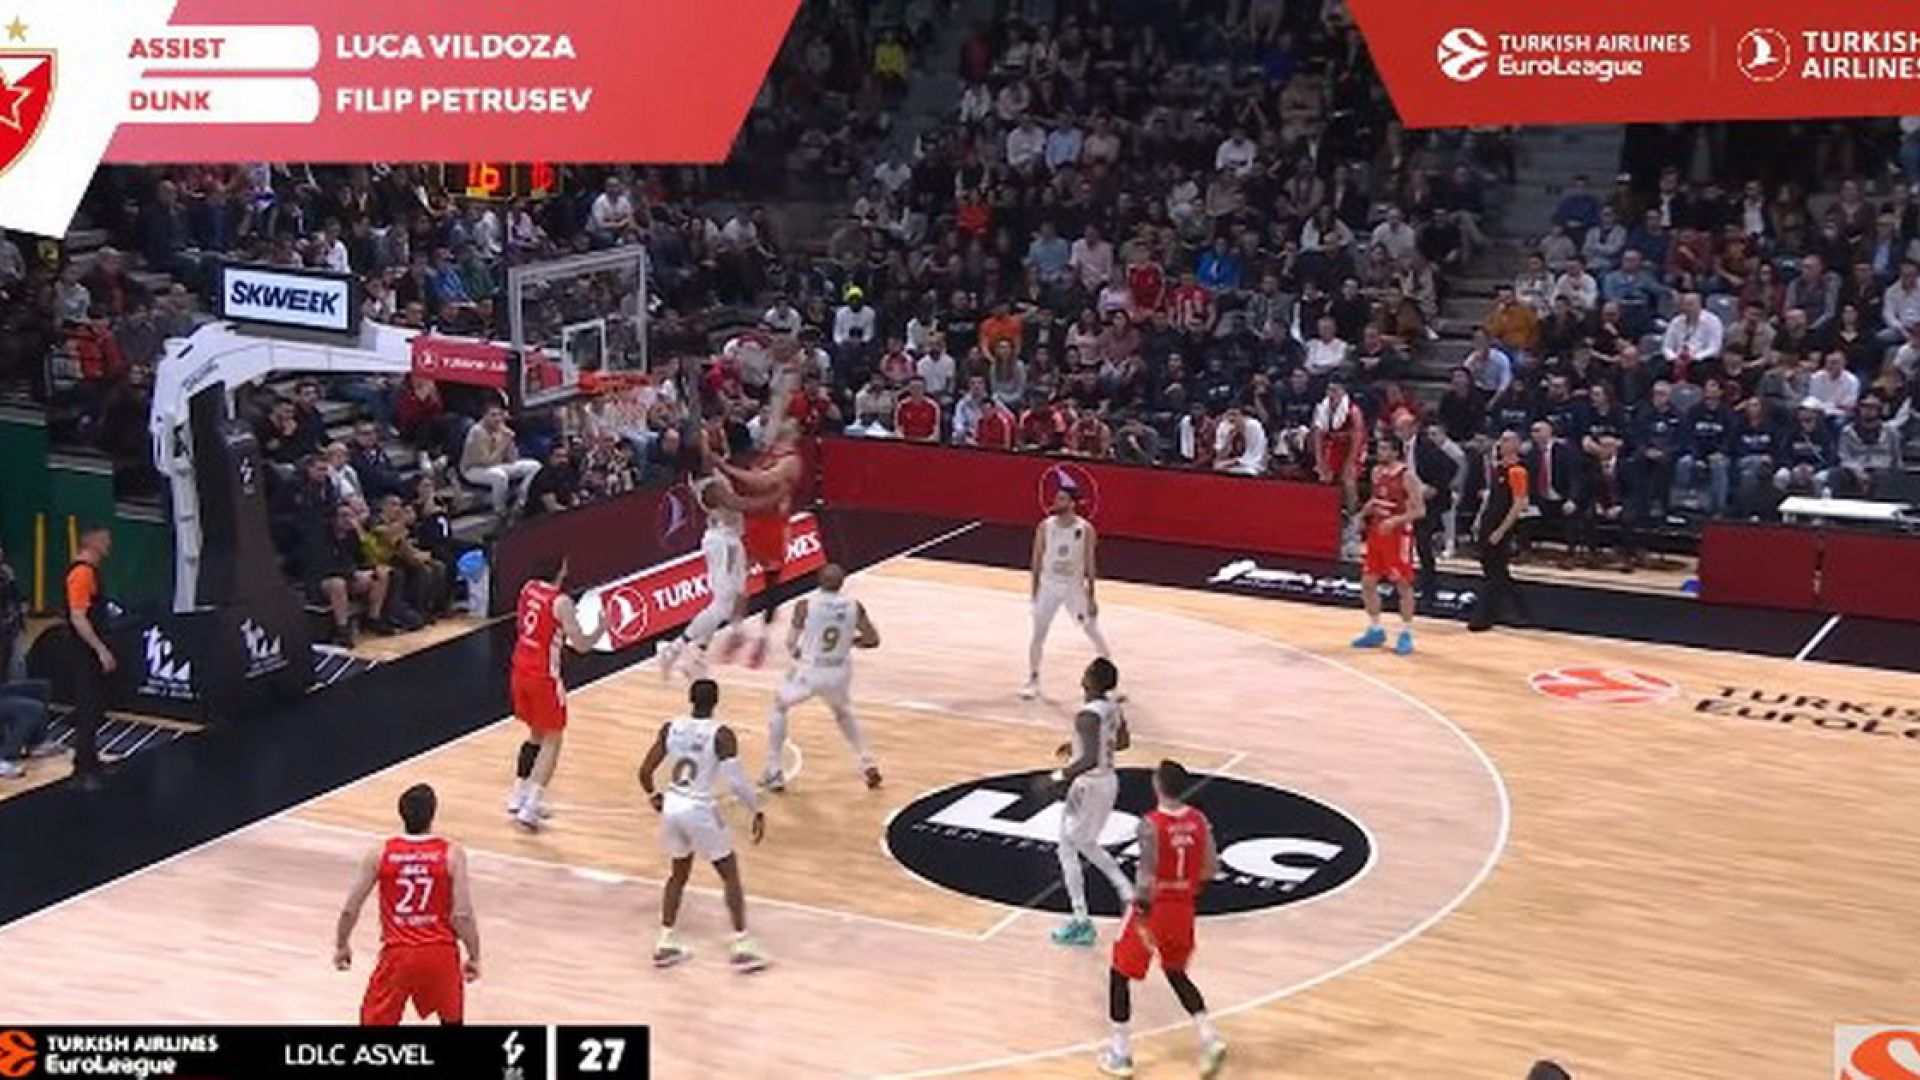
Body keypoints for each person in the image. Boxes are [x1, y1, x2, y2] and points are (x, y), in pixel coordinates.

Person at [1099, 758, 1227, 1079]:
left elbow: (1146, 874)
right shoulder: (1199, 820)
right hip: (1183, 909)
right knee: (1175, 972)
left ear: (1157, 786)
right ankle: (1209, 1037)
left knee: (1119, 973)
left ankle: (1121, 1054)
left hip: (1154, 909)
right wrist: (1186, 885)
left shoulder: (1151, 824)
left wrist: (1141, 912)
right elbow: (1211, 868)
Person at [638, 678, 770, 973]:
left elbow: (644, 771)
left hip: (673, 805)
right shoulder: (721, 734)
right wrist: (756, 810)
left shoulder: (671, 727)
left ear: (690, 699)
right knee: (729, 874)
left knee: (677, 875)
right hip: (699, 809)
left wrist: (653, 795)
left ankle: (665, 941)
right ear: (716, 701)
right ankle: (742, 945)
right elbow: (736, 783)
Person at [333, 784, 481, 1025]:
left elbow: (351, 908)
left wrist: (342, 944)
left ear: (401, 814)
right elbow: (462, 915)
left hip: (398, 954)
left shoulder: (380, 853)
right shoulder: (452, 854)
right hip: (441, 953)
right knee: (452, 1022)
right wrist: (474, 955)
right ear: (433, 814)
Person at [658, 441, 783, 680]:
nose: (711, 453)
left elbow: (721, 456)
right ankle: (673, 648)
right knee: (721, 606)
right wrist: (773, 498)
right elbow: (741, 504)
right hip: (722, 542)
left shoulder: (709, 471)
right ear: (699, 462)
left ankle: (698, 656)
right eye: (706, 452)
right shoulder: (711, 488)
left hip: (732, 538)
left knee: (736, 596)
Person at [761, 563, 882, 792]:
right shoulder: (855, 606)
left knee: (779, 707)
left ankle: (774, 770)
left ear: (818, 580)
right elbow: (873, 640)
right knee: (843, 713)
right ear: (842, 583)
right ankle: (867, 761)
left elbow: (791, 643)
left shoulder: (805, 605)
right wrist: (850, 641)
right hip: (839, 672)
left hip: (811, 670)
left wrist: (799, 653)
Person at [506, 555, 605, 831]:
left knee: (536, 734)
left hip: (519, 668)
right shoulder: (561, 602)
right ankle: (531, 806)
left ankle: (518, 795)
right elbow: (581, 645)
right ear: (560, 571)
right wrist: (600, 628)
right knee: (553, 738)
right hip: (543, 676)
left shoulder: (528, 588)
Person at [1047, 657, 1136, 947]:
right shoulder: (1113, 708)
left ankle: (1087, 917)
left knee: (1073, 845)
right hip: (1108, 781)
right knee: (1075, 845)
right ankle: (1120, 896)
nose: (1083, 674)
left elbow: (1089, 760)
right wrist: (1076, 744)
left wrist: (1057, 776)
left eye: (1087, 671)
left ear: (1091, 681)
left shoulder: (1086, 715)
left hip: (1089, 785)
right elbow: (1122, 742)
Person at [721, 420, 806, 667]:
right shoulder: (766, 454)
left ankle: (763, 637)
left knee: (771, 584)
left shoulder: (791, 460)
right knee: (739, 578)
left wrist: (726, 468)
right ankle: (737, 629)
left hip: (773, 525)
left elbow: (762, 482)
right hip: (753, 521)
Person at [1023, 481, 1114, 700]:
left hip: (1074, 587)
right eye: (1057, 498)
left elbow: (1090, 563)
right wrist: (1034, 590)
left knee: (1092, 630)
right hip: (1049, 585)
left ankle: (1112, 682)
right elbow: (1036, 559)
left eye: (1062, 499)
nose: (1056, 502)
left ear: (1073, 503)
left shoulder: (1085, 529)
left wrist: (1091, 597)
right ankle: (1033, 679)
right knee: (1038, 633)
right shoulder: (1045, 526)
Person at [1353, 436, 1426, 655]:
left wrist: (1395, 521)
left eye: (1385, 449)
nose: (1380, 453)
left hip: (1398, 535)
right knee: (1368, 582)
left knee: (1403, 584)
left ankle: (1406, 633)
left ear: (1395, 452)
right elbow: (1376, 500)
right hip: (1377, 532)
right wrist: (1361, 515)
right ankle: (1375, 629)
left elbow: (1420, 510)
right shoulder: (1376, 472)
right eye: (1380, 448)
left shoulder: (1407, 476)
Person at [64, 525, 117, 789]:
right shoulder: (82, 573)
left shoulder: (92, 572)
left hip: (91, 650)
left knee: (94, 707)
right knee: (86, 709)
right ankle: (81, 770)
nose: (109, 544)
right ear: (92, 541)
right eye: (105, 539)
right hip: (84, 652)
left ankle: (91, 761)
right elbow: (78, 616)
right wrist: (99, 649)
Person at [1468, 431, 1533, 633]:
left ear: (1516, 444)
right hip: (1489, 522)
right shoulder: (1498, 468)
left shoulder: (1518, 471)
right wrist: (1480, 522)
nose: (1501, 443)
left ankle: (1484, 616)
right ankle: (1518, 611)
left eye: (1506, 440)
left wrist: (1501, 530)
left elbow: (1518, 504)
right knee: (1496, 572)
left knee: (1495, 572)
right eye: (1501, 440)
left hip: (1500, 525)